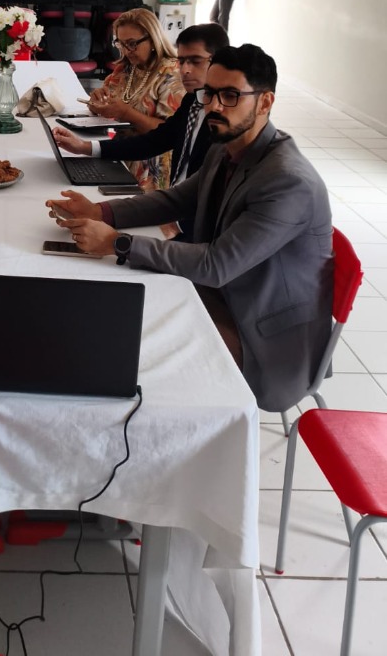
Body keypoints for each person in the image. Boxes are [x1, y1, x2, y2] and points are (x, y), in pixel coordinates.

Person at [48, 44, 333, 413]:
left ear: (265, 102)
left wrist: (117, 243)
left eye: (230, 96)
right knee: (112, 311)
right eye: (209, 93)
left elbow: (216, 265)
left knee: (138, 354)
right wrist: (100, 211)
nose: (214, 106)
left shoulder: (288, 182)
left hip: (266, 338)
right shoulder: (226, 146)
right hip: (226, 295)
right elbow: (175, 200)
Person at [53, 23, 228, 238]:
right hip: (173, 213)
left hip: (194, 231)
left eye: (195, 61)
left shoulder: (226, 120)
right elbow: (156, 141)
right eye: (182, 61)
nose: (185, 70)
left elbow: (212, 200)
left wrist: (173, 228)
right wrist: (87, 147)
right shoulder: (193, 100)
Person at [85, 7, 185, 192]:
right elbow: (106, 100)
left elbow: (169, 134)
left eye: (132, 44)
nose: (126, 51)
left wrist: (126, 113)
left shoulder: (171, 74)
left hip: (153, 167)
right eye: (120, 44)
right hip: (122, 154)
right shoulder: (126, 68)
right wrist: (96, 102)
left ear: (153, 39)